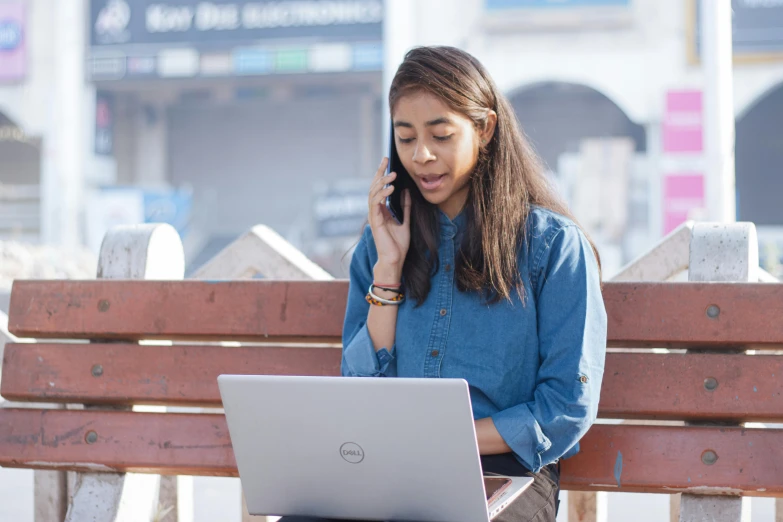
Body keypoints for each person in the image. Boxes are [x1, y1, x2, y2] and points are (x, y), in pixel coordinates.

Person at [281, 46, 607, 522]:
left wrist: (451, 437)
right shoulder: (379, 247)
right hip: (393, 466)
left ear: (486, 128)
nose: (421, 156)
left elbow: (566, 406)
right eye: (405, 136)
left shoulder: (552, 246)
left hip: (506, 472)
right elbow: (361, 391)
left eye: (440, 135)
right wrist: (389, 268)